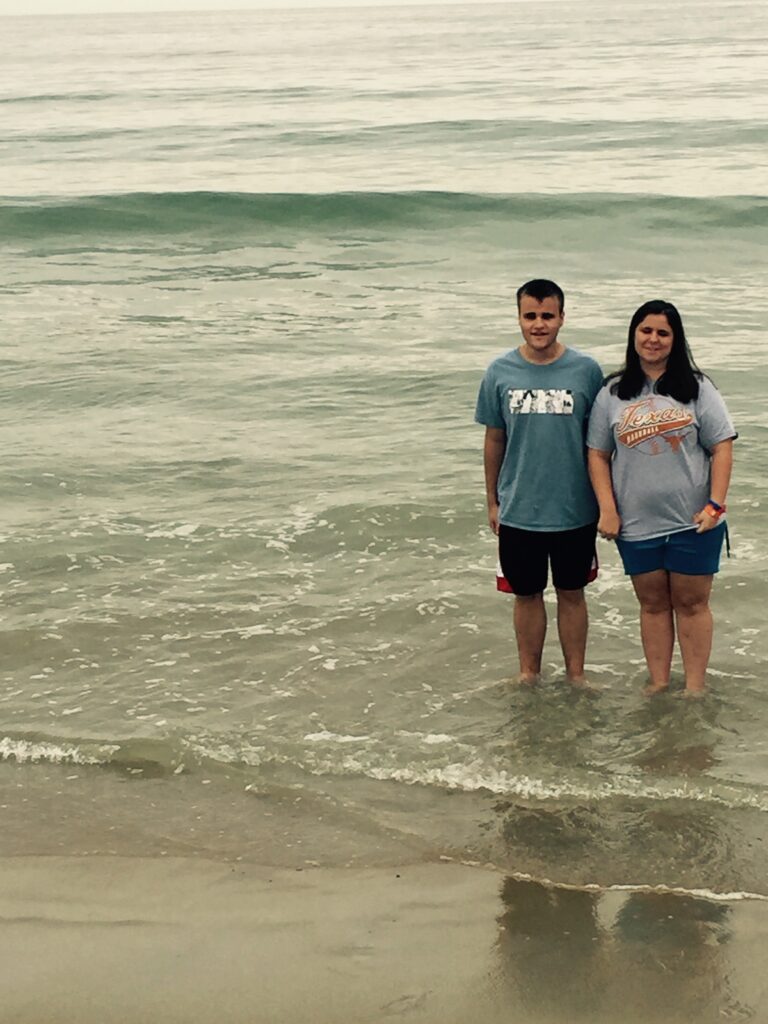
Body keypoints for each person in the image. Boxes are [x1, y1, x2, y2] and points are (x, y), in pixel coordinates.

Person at [587, 300, 736, 695]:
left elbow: (722, 446)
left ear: (676, 339)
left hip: (694, 520)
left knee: (692, 604)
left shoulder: (698, 388)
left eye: (663, 333)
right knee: (652, 605)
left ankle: (695, 687)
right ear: (634, 334)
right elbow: (598, 455)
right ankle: (658, 683)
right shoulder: (613, 393)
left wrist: (715, 504)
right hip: (636, 522)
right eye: (646, 330)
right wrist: (608, 509)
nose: (653, 339)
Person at [475, 279, 603, 686]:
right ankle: (529, 672)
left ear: (562, 318)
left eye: (548, 316)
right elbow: (495, 438)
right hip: (519, 509)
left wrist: (607, 501)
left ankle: (576, 675)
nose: (539, 324)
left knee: (572, 593)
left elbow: (600, 444)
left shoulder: (586, 371)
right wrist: (493, 500)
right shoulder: (500, 371)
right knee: (526, 594)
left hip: (575, 508)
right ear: (518, 318)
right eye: (530, 316)